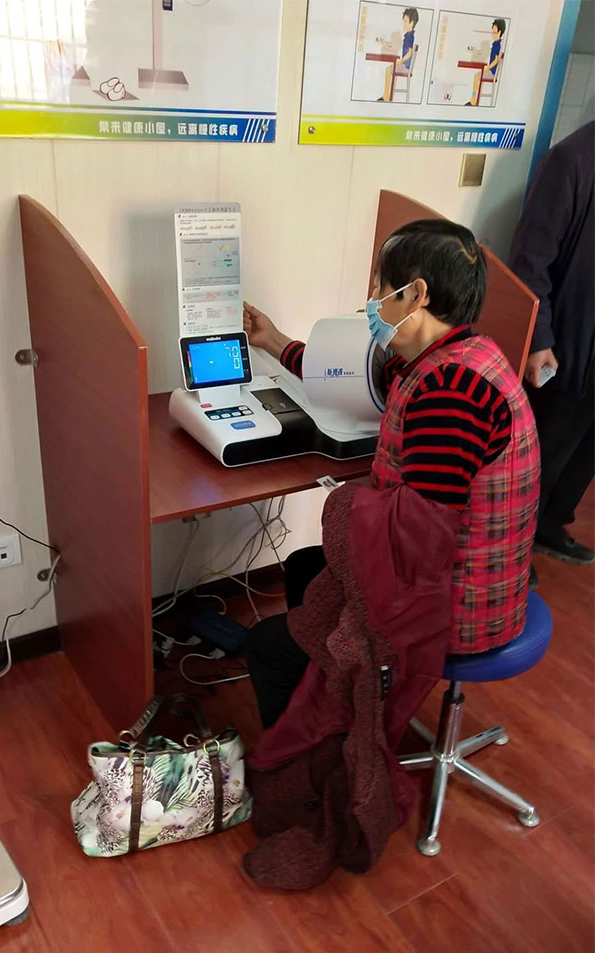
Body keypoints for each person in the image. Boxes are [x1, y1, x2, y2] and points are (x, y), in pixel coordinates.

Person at [244, 219, 540, 730]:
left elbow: (418, 544)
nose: (371, 300)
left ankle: (323, 742)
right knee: (302, 567)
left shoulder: (453, 392)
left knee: (266, 647)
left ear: (415, 294)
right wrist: (273, 341)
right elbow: (347, 377)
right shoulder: (453, 354)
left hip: (456, 609)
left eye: (380, 286)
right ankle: (336, 697)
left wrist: (345, 505)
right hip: (464, 578)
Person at [509, 121, 594, 567]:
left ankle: (549, 525)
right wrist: (539, 338)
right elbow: (530, 261)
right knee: (544, 452)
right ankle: (513, 547)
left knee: (585, 453)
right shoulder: (571, 160)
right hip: (569, 345)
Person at [376, 7, 418, 102]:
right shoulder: (408, 35)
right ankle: (387, 96)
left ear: (411, 23)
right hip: (404, 65)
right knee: (389, 69)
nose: (404, 24)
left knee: (388, 70)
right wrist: (385, 42)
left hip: (405, 66)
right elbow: (396, 45)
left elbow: (409, 53)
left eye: (405, 22)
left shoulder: (409, 36)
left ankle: (386, 97)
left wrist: (401, 61)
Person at [468, 18, 505, 106]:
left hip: (492, 72)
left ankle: (473, 100)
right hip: (491, 71)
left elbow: (495, 60)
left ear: (499, 32)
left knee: (476, 77)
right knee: (477, 76)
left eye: (494, 32)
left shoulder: (497, 45)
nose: (492, 34)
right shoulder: (495, 44)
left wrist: (487, 68)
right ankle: (473, 99)